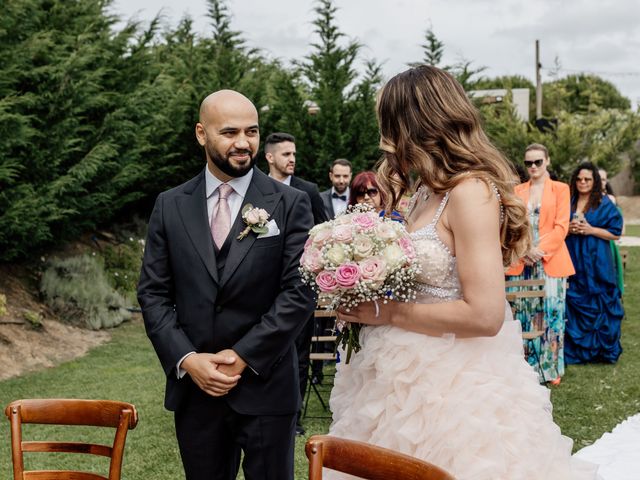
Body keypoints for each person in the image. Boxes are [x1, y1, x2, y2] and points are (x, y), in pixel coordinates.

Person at [327, 66, 598, 479]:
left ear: (413, 122)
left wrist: (389, 313)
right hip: (393, 380)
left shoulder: (470, 192)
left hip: (452, 387)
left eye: (388, 121)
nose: (383, 135)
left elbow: (485, 315)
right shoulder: (420, 192)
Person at [137, 90, 315, 480]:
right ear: (201, 134)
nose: (242, 143)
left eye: (251, 132)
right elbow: (152, 293)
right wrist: (187, 359)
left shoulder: (290, 202)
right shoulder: (170, 205)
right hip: (196, 392)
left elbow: (299, 291)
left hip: (266, 386)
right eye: (229, 132)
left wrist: (243, 356)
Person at [264, 131, 329, 435]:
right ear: (270, 157)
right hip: (261, 287)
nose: (292, 159)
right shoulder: (254, 189)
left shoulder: (308, 190)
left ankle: (294, 420)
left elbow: (324, 232)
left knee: (299, 355)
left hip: (299, 284)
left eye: (294, 154)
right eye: (286, 154)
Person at [506, 143, 575, 385]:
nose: (533, 167)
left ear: (547, 161)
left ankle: (551, 369)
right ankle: (525, 367)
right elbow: (511, 226)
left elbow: (561, 226)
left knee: (552, 313)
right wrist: (525, 250)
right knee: (524, 312)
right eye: (528, 163)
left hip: (551, 260)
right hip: (522, 260)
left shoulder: (561, 189)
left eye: (538, 162)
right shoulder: (517, 190)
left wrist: (540, 251)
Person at [565, 162, 624, 364]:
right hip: (574, 256)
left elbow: (616, 233)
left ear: (595, 181)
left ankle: (601, 350)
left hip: (597, 259)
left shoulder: (603, 202)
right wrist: (569, 229)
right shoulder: (568, 201)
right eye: (579, 179)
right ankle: (579, 350)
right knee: (575, 297)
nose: (583, 182)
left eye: (587, 179)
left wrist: (591, 230)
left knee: (601, 298)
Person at [599, 167, 625, 295]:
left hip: (608, 246)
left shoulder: (610, 200)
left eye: (603, 179)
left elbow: (621, 230)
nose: (600, 182)